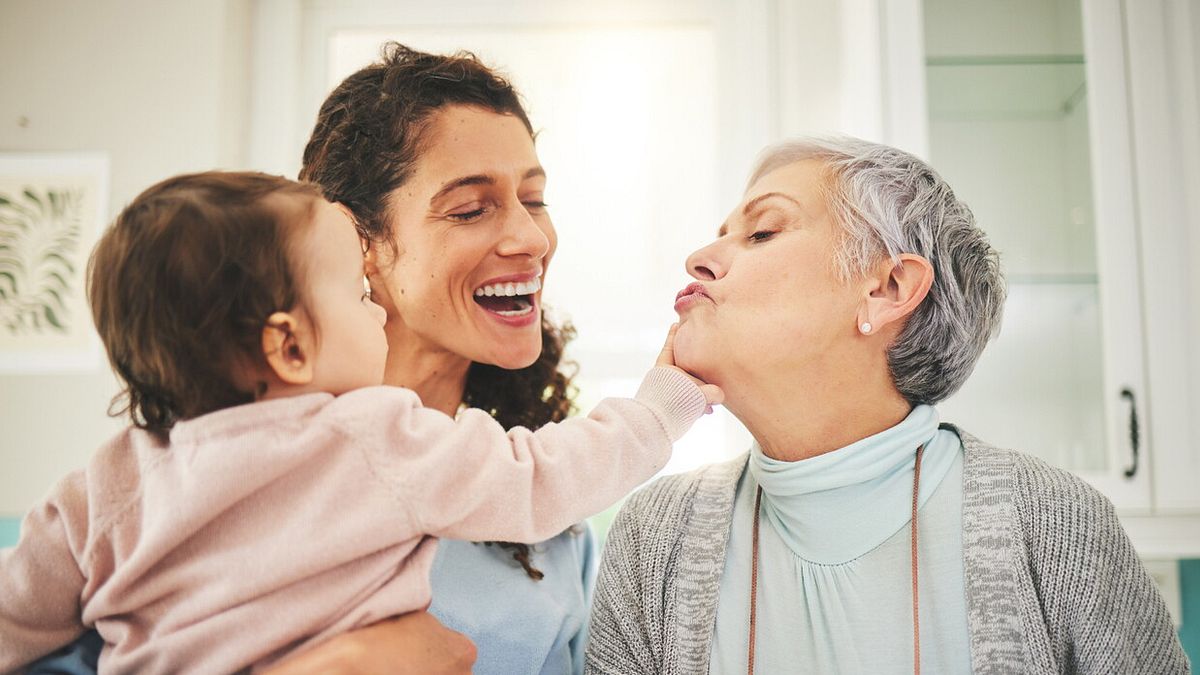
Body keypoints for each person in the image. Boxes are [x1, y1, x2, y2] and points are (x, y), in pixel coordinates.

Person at [25, 44, 616, 675]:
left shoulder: (552, 531)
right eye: (471, 208)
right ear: (358, 241)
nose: (531, 238)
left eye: (534, 199)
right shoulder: (174, 504)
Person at [0, 171, 718, 673]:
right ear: (290, 345)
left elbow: (14, 620)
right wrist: (662, 405)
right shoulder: (372, 437)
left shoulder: (104, 483)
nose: (375, 308)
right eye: (356, 290)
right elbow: (542, 475)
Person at [585, 137, 1191, 674]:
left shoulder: (1052, 522)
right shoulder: (654, 534)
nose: (700, 257)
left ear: (888, 289)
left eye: (762, 231)